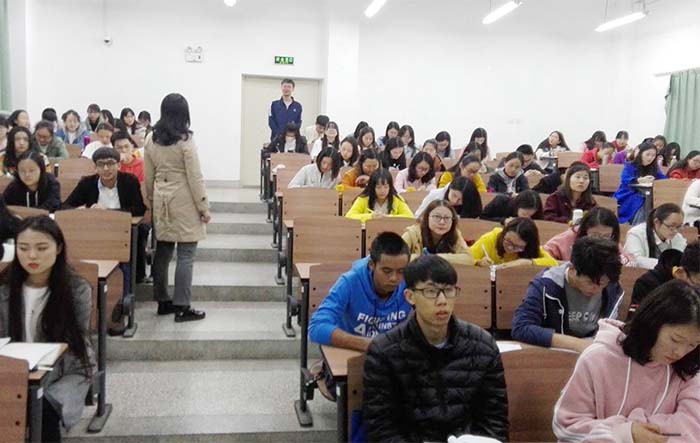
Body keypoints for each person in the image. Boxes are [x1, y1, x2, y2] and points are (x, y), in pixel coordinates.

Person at [363, 255, 509, 443]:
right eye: (431, 291)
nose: (442, 301)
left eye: (448, 290)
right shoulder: (384, 351)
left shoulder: (483, 346)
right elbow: (381, 430)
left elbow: (495, 421)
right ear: (410, 296)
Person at [552, 280, 700, 443]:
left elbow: (692, 430)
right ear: (653, 323)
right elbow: (566, 427)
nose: (680, 352)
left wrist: (638, 427)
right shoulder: (598, 359)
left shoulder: (688, 370)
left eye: (693, 345)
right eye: (675, 339)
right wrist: (625, 433)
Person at [0, 216, 95, 442]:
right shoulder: (4, 286)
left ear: (58, 248)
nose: (32, 256)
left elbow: (73, 344)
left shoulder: (77, 289)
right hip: (11, 369)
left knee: (42, 409)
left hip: (64, 370)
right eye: (23, 248)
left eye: (42, 248)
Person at [145, 93, 210, 322]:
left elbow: (148, 174)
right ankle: (182, 306)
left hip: (161, 197)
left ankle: (163, 301)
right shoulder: (185, 140)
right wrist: (203, 206)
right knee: (186, 254)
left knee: (163, 251)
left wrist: (151, 199)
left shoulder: (151, 138)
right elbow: (194, 176)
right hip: (183, 198)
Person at [512, 236, 623, 353]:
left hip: (595, 354)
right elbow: (521, 328)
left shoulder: (613, 287)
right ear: (572, 269)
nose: (598, 290)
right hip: (556, 354)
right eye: (590, 283)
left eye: (603, 284)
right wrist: (578, 344)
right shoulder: (546, 285)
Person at [308, 231, 412, 351]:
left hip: (395, 355)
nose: (394, 278)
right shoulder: (349, 282)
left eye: (401, 271)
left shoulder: (411, 282)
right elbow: (316, 327)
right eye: (387, 271)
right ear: (371, 265)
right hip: (353, 352)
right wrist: (370, 345)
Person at [545, 207, 635, 266]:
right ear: (585, 230)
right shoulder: (568, 237)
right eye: (595, 235)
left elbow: (629, 262)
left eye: (606, 236)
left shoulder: (611, 242)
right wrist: (567, 266)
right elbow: (543, 255)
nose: (600, 240)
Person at [402, 200, 474, 265]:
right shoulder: (413, 233)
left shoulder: (455, 234)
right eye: (437, 217)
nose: (442, 222)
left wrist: (438, 258)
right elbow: (398, 256)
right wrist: (423, 258)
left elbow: (469, 259)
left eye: (447, 218)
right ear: (427, 218)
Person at [471, 217, 558, 269]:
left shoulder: (531, 248)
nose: (510, 248)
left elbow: (554, 264)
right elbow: (467, 258)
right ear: (504, 233)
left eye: (518, 247)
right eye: (508, 242)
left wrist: (525, 262)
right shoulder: (491, 238)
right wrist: (479, 262)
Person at [614, 142, 667, 224]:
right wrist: (639, 180)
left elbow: (663, 179)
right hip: (628, 194)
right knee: (643, 202)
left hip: (647, 194)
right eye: (647, 154)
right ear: (640, 153)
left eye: (653, 155)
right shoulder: (630, 165)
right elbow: (625, 179)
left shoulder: (654, 167)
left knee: (653, 200)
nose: (650, 158)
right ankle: (639, 226)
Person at [624, 203, 687, 270]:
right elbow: (636, 260)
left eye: (679, 226)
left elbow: (681, 260)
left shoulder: (678, 237)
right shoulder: (636, 233)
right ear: (657, 222)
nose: (675, 231)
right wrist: (666, 264)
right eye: (671, 226)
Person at [345, 169, 414, 223]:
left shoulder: (396, 199)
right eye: (378, 187)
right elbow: (349, 216)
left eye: (386, 187)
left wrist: (389, 217)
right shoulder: (363, 199)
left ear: (390, 187)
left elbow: (410, 217)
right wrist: (371, 216)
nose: (382, 191)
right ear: (372, 187)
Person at [415, 175, 482, 219]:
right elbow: (418, 216)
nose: (455, 201)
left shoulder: (471, 204)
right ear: (450, 188)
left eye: (460, 199)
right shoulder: (435, 195)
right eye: (454, 195)